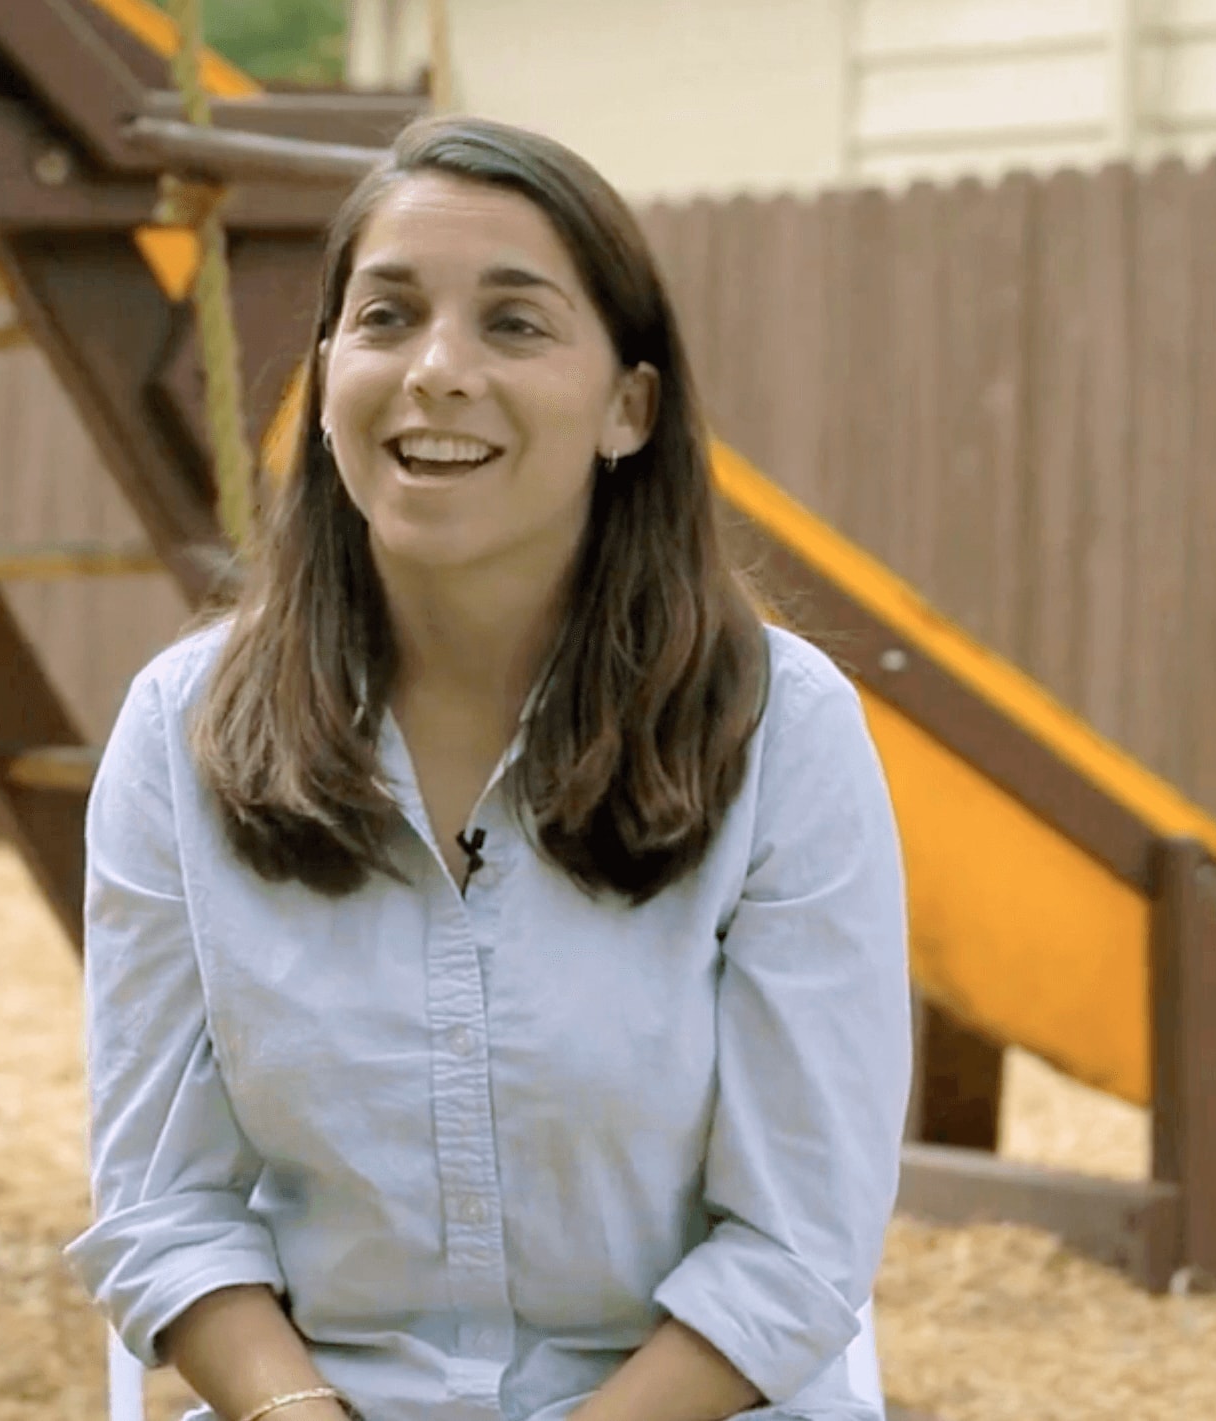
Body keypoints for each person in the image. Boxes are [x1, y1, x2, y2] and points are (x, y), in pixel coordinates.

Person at [66, 115, 911, 1421]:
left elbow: (799, 1245)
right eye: (387, 317)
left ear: (630, 405)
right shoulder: (181, 731)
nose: (436, 370)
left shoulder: (784, 733)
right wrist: (298, 1413)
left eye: (514, 325)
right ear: (328, 373)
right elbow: (161, 1205)